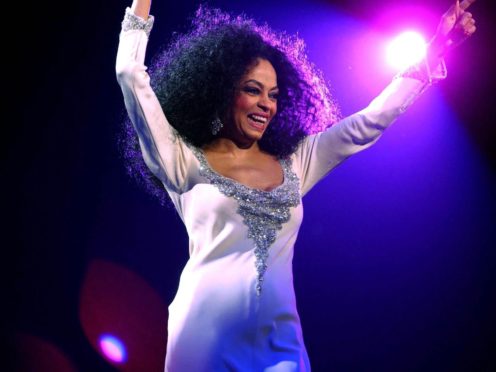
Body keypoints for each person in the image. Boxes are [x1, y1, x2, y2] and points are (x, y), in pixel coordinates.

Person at [116, 0, 477, 370]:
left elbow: (368, 123)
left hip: (279, 342)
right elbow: (130, 73)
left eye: (273, 95)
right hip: (205, 337)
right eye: (254, 90)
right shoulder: (181, 161)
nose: (266, 105)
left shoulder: (297, 163)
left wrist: (434, 52)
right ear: (222, 91)